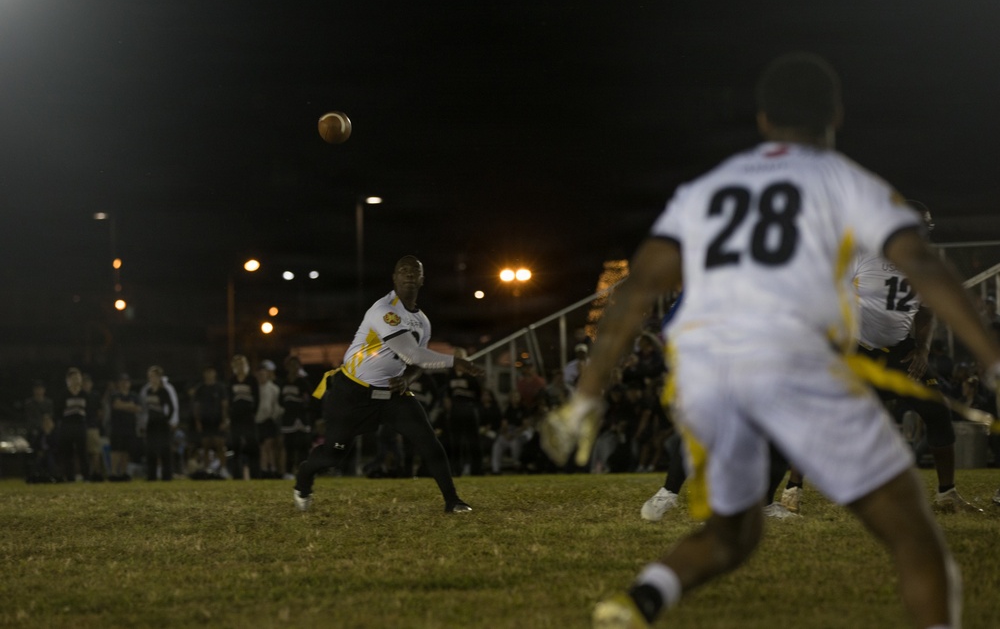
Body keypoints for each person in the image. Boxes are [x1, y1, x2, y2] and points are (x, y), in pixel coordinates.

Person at [542, 52, 1000, 629]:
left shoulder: (708, 189)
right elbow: (927, 271)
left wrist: (585, 396)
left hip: (711, 375)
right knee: (915, 538)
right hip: (789, 365)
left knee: (733, 535)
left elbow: (635, 291)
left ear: (762, 120)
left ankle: (642, 599)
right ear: (835, 112)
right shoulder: (848, 183)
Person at [293, 255, 481, 513]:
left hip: (392, 393)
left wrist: (407, 379)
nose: (409, 274)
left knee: (428, 441)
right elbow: (412, 354)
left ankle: (453, 501)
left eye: (415, 270)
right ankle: (304, 478)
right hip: (352, 392)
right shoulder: (384, 309)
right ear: (394, 277)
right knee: (333, 456)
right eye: (403, 270)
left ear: (423, 279)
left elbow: (417, 364)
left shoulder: (423, 322)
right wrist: (455, 361)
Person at [851, 202, 981, 512]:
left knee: (937, 412)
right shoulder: (863, 253)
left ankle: (946, 495)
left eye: (928, 226)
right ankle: (793, 491)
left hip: (900, 354)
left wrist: (921, 349)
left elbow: (925, 312)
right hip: (857, 352)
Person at [191, 366, 229, 479]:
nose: (209, 374)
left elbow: (224, 405)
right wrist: (197, 421)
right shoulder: (200, 388)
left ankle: (223, 469)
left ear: (215, 373)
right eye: (207, 372)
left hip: (217, 420)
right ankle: (207, 470)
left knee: (220, 445)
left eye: (211, 372)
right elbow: (196, 406)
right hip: (205, 420)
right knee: (206, 446)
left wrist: (224, 420)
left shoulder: (220, 388)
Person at [278, 356, 313, 480]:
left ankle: (303, 471)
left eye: (295, 365)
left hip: (302, 419)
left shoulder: (303, 382)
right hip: (288, 419)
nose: (293, 368)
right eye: (290, 365)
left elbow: (310, 400)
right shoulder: (283, 383)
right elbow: (280, 401)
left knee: (303, 446)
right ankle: (288, 472)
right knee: (289, 446)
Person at [141, 365, 176, 481]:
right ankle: (151, 476)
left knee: (165, 450)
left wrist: (167, 419)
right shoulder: (148, 391)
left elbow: (171, 407)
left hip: (162, 424)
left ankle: (167, 476)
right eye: (150, 376)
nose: (152, 379)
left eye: (154, 376)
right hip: (151, 424)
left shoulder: (163, 391)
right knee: (151, 450)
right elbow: (145, 409)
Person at [228, 354, 259, 480]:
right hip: (236, 417)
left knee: (252, 446)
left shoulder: (252, 380)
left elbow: (257, 398)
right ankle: (237, 476)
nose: (239, 366)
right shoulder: (232, 381)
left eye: (242, 363)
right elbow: (229, 399)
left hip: (248, 417)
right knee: (236, 447)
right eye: (237, 364)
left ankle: (255, 475)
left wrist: (253, 412)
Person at [108, 374, 141, 481]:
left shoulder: (134, 395)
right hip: (117, 427)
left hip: (130, 427)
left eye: (126, 381)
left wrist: (124, 405)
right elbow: (116, 405)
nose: (124, 384)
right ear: (118, 384)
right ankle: (113, 473)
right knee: (116, 450)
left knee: (126, 451)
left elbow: (138, 409)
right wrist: (130, 405)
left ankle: (123, 473)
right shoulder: (115, 394)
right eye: (122, 381)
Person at [255, 359, 282, 479]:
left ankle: (273, 469)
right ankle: (264, 469)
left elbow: (276, 405)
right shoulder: (255, 388)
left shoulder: (274, 388)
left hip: (269, 420)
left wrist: (272, 416)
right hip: (257, 420)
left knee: (269, 445)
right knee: (262, 447)